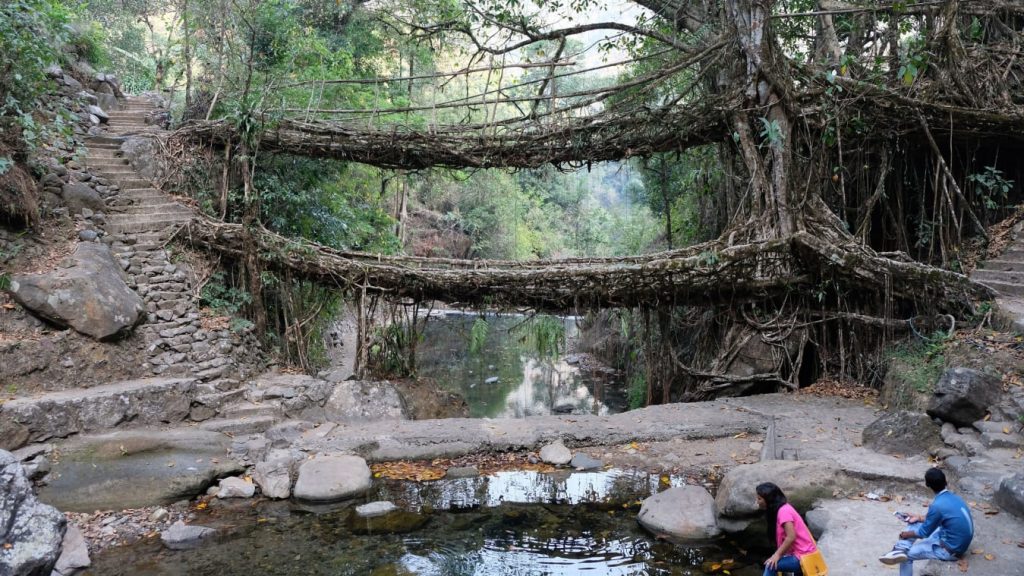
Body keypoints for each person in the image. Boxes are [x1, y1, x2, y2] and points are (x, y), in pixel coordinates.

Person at [879, 467, 974, 576]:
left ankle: (900, 550)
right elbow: (940, 518)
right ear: (945, 481)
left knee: (906, 557)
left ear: (927, 485)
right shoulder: (954, 498)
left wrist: (905, 534)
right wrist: (919, 518)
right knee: (915, 522)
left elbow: (924, 533)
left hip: (950, 550)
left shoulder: (937, 506)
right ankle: (900, 548)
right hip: (958, 541)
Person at [757, 482, 820, 576]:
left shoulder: (784, 512)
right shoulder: (781, 509)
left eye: (759, 499)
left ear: (769, 500)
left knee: (770, 565)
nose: (757, 501)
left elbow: (791, 537)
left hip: (802, 555)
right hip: (801, 552)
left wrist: (776, 555)